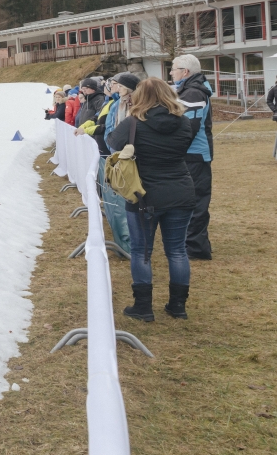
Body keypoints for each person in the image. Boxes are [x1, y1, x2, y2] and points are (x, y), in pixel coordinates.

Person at [107, 77, 197, 321]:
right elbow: (183, 148)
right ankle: (178, 306)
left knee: (142, 250)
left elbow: (112, 142)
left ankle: (144, 306)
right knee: (177, 251)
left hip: (143, 195)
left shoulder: (133, 123)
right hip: (180, 190)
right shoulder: (184, 122)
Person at [79, 73, 140, 253]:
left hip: (126, 158)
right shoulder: (115, 104)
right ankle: (125, 240)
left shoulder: (132, 105)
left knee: (125, 200)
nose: (115, 87)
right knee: (118, 200)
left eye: (118, 85)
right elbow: (108, 127)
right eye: (115, 84)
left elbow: (110, 127)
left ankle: (129, 243)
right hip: (115, 156)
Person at [170, 54, 214, 260]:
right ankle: (193, 244)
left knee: (195, 201)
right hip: (190, 154)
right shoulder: (189, 90)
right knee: (188, 200)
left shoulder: (194, 92)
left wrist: (174, 150)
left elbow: (189, 128)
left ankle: (196, 248)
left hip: (194, 155)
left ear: (185, 72)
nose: (171, 72)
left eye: (173, 69)